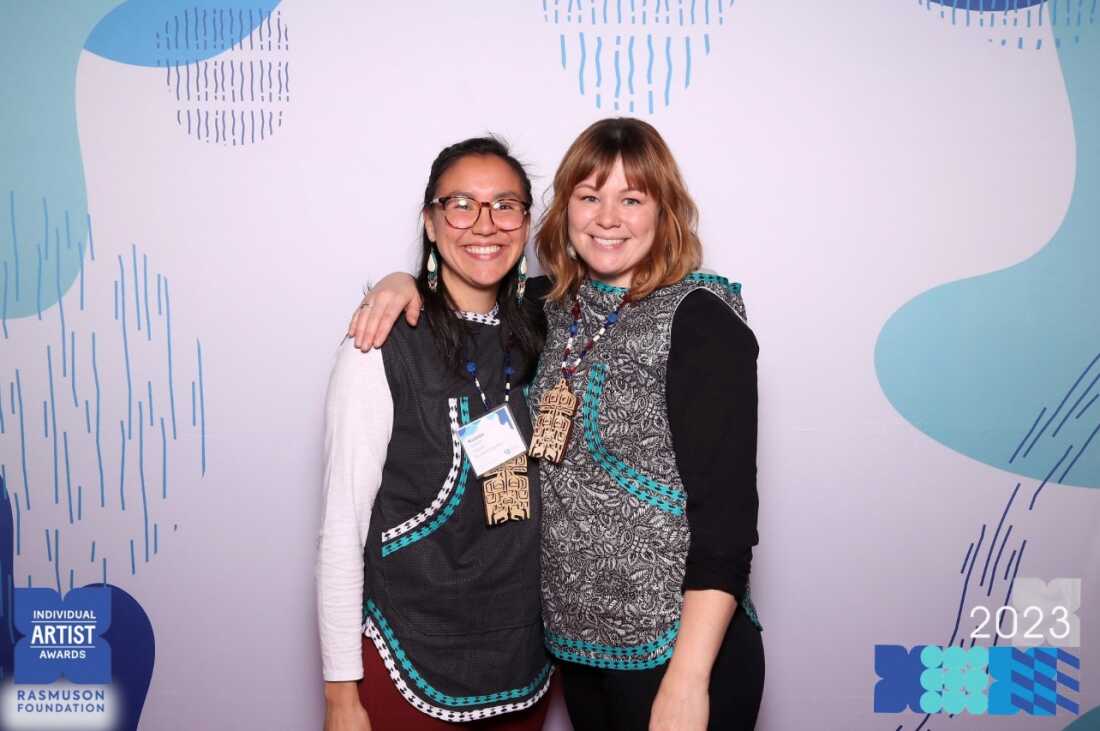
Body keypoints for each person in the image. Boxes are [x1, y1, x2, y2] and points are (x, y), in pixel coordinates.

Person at [350, 118, 764, 731]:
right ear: (565, 210)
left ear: (664, 212)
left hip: (675, 656)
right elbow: (471, 280)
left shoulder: (699, 320)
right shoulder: (547, 310)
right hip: (576, 658)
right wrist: (401, 282)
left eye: (632, 199)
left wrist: (688, 679)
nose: (608, 217)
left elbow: (727, 523)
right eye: (590, 197)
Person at [316, 137, 554, 731]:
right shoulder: (380, 341)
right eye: (460, 205)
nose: (484, 225)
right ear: (429, 220)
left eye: (505, 206)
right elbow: (342, 529)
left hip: (525, 660)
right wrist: (341, 698)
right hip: (410, 654)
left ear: (526, 224)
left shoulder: (550, 329)